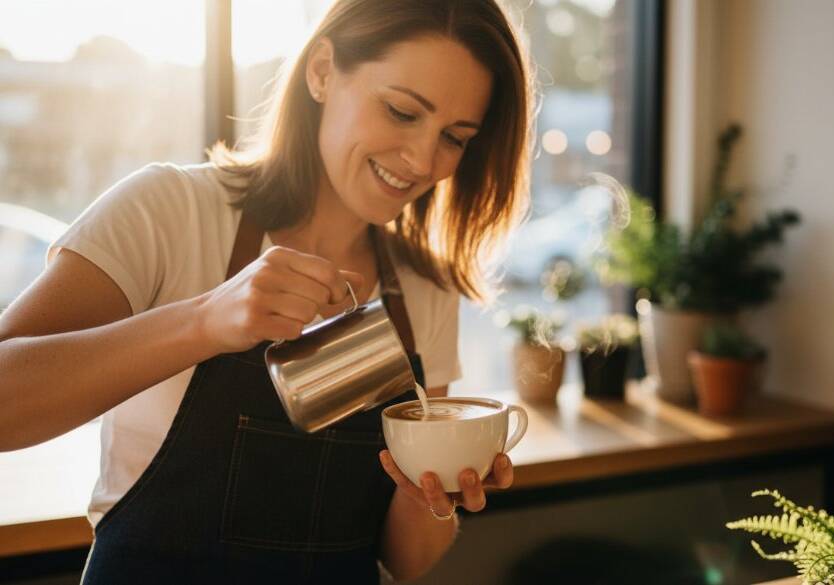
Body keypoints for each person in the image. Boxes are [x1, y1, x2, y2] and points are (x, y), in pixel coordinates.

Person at [0, 0, 534, 582]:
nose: (424, 160)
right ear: (323, 71)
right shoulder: (168, 212)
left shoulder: (424, 288)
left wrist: (433, 490)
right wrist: (204, 321)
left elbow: (405, 562)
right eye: (402, 111)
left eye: (455, 138)